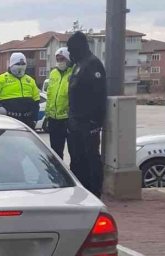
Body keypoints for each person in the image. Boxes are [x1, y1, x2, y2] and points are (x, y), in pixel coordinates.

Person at [66, 31, 107, 197]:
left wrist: (94, 123)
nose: (69, 52)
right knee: (76, 159)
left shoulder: (93, 64)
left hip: (88, 123)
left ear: (79, 47)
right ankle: (80, 191)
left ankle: (94, 193)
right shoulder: (78, 65)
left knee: (91, 159)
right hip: (75, 122)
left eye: (70, 49)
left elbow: (98, 96)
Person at [0, 52, 41, 129]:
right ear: (11, 65)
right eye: (17, 64)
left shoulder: (30, 80)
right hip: (9, 120)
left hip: (28, 121)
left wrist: (34, 119)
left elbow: (36, 101)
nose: (20, 67)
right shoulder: (1, 79)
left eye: (23, 64)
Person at [44, 47, 72, 158]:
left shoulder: (73, 72)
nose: (60, 62)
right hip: (53, 119)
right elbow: (50, 95)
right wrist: (47, 114)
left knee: (73, 151)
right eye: (58, 59)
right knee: (55, 152)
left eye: (62, 59)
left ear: (68, 59)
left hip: (67, 119)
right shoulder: (53, 73)